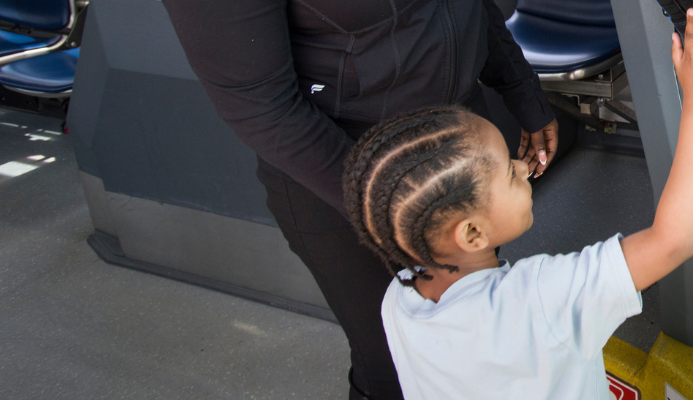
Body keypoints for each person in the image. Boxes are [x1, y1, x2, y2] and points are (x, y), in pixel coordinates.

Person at [340, 8, 693, 398]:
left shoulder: (399, 299)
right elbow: (673, 241)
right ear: (471, 233)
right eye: (507, 170)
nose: (522, 168)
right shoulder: (539, 300)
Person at [162, 0, 563, 398]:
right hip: (345, 181)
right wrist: (400, 211)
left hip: (458, 151)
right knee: (400, 368)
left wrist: (521, 87)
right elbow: (259, 106)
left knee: (475, 347)